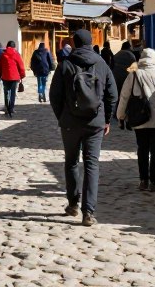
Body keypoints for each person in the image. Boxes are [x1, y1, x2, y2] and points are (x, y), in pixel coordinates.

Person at [49, 29, 118, 226]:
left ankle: (73, 204)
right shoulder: (102, 64)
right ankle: (88, 212)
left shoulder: (65, 64)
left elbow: (55, 96)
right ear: (91, 42)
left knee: (71, 162)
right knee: (91, 164)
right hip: (95, 123)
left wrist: (62, 117)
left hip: (70, 123)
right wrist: (106, 119)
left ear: (75, 43)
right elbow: (112, 94)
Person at [116, 48, 155, 192]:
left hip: (140, 119)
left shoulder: (133, 75)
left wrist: (120, 116)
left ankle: (143, 180)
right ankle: (154, 181)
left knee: (142, 149)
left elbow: (124, 97)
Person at [0, 40, 26, 117]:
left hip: (5, 77)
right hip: (14, 77)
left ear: (7, 46)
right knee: (13, 93)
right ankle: (11, 108)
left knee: (6, 93)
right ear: (14, 47)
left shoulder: (3, 54)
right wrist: (22, 75)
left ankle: (7, 108)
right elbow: (21, 66)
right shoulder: (16, 54)